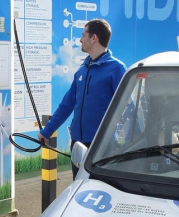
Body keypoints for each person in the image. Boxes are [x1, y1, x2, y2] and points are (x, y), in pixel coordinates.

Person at [38, 19, 127, 176]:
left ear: (93, 38)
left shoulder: (116, 69)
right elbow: (67, 104)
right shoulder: (82, 71)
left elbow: (127, 108)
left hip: (102, 147)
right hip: (78, 145)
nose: (80, 39)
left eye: (83, 35)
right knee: (78, 191)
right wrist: (47, 131)